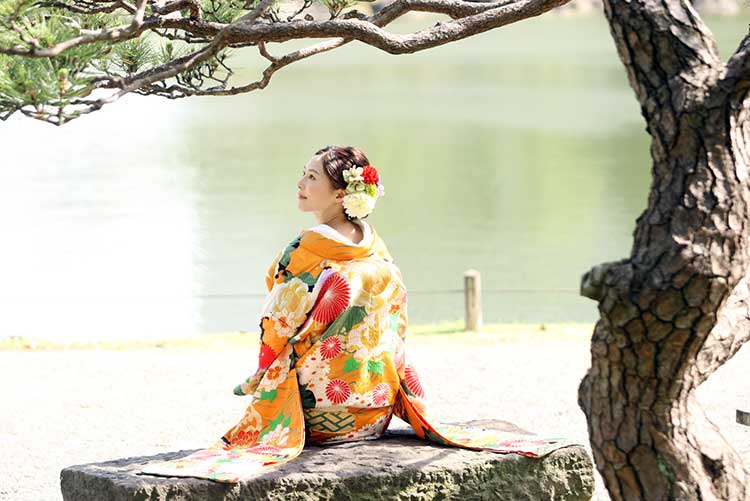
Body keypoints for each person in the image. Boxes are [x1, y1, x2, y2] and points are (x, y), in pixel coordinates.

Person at [139, 146, 575, 483]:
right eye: (303, 174)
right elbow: (396, 323)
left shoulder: (307, 249)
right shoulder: (374, 245)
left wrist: (261, 376)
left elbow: (277, 324)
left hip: (318, 416)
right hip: (374, 408)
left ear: (341, 194)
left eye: (311, 178)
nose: (301, 183)